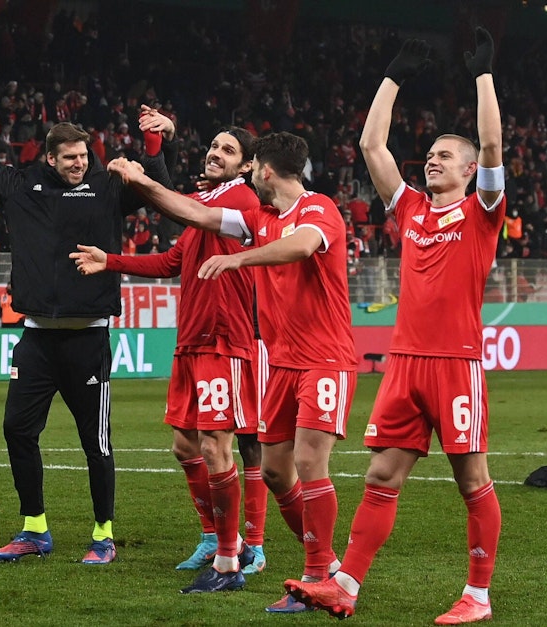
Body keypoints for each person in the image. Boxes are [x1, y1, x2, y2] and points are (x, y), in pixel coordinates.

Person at [284, 30, 504, 625]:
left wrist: (482, 75)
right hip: (405, 361)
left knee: (471, 478)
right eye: (429, 153)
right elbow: (371, 144)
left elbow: (489, 142)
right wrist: (393, 75)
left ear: (467, 171)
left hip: (456, 362)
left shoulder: (483, 211)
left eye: (444, 155)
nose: (432, 158)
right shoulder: (410, 209)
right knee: (381, 473)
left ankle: (478, 597)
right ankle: (345, 585)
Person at [109, 130, 358, 604]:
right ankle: (325, 565)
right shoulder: (257, 217)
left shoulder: (316, 208)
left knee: (306, 462)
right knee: (278, 473)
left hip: (324, 358)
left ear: (262, 169)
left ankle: (316, 575)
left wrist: (240, 259)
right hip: (283, 362)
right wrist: (141, 180)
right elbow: (196, 213)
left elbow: (303, 246)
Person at [0, 75, 172, 565]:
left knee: (96, 442)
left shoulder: (108, 188)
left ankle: (103, 535)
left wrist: (153, 147)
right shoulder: (22, 187)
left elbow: (158, 193)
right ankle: (34, 529)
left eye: (83, 156)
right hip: (37, 339)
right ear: (49, 157)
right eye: (69, 157)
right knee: (17, 431)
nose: (79, 164)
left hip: (88, 338)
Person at [73, 127, 275, 587]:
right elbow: (170, 262)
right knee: (186, 446)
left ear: (246, 166)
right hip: (191, 341)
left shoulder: (241, 200)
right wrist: (111, 260)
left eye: (227, 149)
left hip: (228, 339)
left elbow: (186, 209)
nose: (214, 153)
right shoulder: (206, 206)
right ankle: (212, 536)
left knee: (235, 445)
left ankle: (250, 545)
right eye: (213, 145)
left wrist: (142, 178)